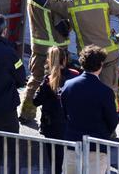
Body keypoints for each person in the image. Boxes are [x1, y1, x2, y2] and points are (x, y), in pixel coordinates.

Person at [28, 0, 119, 101]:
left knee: (88, 93)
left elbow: (46, 0)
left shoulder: (71, 4)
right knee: (110, 92)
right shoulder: (105, 0)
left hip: (89, 58)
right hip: (110, 55)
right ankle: (111, 120)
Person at [20, 0, 72, 124]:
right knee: (56, 83)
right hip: (56, 50)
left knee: (35, 80)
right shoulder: (52, 1)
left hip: (38, 47)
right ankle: (54, 117)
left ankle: (26, 113)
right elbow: (63, 28)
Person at [60, 46, 119, 174]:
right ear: (100, 65)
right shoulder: (106, 92)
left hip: (72, 144)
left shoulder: (68, 86)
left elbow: (64, 112)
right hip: (96, 147)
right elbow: (112, 121)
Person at [33, 46, 79, 174]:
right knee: (71, 161)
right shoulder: (75, 76)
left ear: (49, 60)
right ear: (65, 60)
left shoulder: (48, 80)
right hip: (71, 125)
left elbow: (36, 101)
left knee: (55, 162)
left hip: (51, 126)